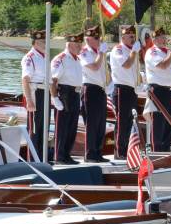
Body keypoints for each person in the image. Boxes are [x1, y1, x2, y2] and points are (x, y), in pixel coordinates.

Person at [50, 32, 83, 163]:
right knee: (62, 127)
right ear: (69, 44)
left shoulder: (78, 59)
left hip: (75, 94)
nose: (80, 47)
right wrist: (55, 98)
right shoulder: (61, 58)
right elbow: (53, 80)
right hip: (64, 93)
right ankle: (59, 156)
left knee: (72, 127)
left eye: (80, 44)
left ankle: (67, 154)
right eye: (77, 44)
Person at [144, 27, 171, 152]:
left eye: (163, 37)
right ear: (154, 39)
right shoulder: (152, 52)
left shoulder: (167, 52)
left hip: (170, 90)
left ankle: (166, 149)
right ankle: (156, 150)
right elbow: (163, 66)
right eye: (159, 38)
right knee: (158, 123)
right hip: (158, 91)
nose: (163, 40)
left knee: (169, 123)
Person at [109, 25, 141, 160]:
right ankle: (120, 152)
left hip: (131, 89)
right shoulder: (118, 49)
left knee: (129, 121)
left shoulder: (132, 50)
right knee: (122, 122)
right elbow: (126, 65)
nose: (133, 38)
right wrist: (134, 51)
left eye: (133, 36)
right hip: (121, 89)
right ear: (123, 37)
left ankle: (127, 150)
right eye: (130, 36)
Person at [80, 26, 109, 162]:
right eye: (96, 38)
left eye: (99, 38)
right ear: (88, 39)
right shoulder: (84, 52)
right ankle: (90, 153)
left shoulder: (97, 52)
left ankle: (97, 151)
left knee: (100, 123)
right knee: (92, 123)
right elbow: (94, 67)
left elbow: (104, 71)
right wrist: (101, 53)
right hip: (90, 89)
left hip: (101, 89)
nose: (99, 40)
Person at [21, 29, 49, 160]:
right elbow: (25, 80)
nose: (45, 43)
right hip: (35, 92)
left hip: (45, 92)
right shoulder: (29, 58)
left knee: (44, 126)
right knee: (34, 128)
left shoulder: (44, 57)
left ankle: (42, 157)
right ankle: (33, 159)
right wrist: (29, 100)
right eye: (42, 41)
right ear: (35, 43)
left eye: (45, 41)